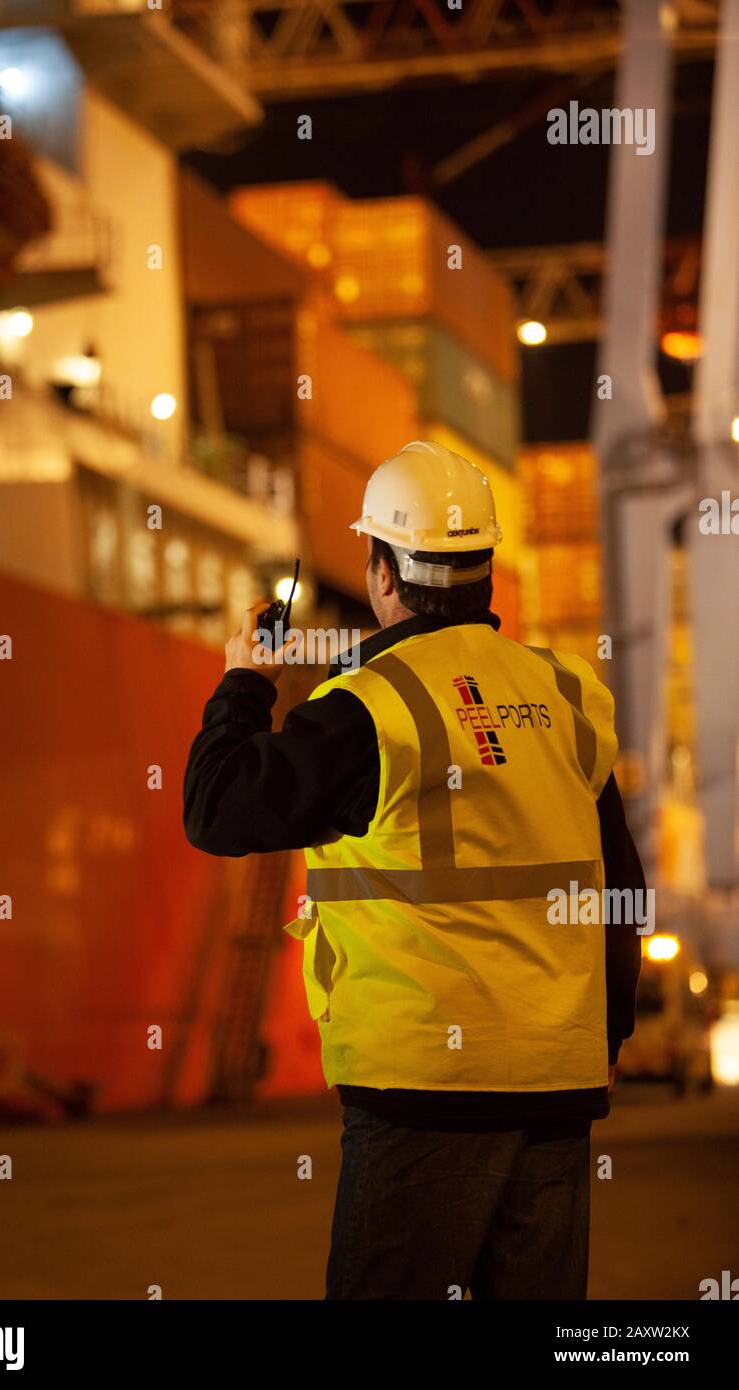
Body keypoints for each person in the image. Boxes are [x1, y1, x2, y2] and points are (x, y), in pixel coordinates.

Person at [183, 439, 643, 1300]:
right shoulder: (567, 694)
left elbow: (215, 810)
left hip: (424, 1085)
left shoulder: (370, 705)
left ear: (384, 573)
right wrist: (610, 1032)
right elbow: (617, 883)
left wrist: (245, 679)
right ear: (486, 571)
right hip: (558, 1086)